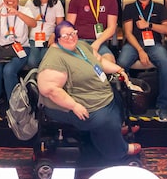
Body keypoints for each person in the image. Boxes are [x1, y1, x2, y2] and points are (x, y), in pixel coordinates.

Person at [36, 20, 139, 164]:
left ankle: (115, 131)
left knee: (117, 97)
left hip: (99, 95)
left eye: (73, 33)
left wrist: (118, 69)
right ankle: (119, 149)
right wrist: (74, 106)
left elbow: (99, 62)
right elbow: (50, 90)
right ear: (57, 39)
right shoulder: (55, 59)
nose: (71, 37)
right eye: (65, 36)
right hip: (73, 106)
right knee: (105, 120)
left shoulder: (81, 45)